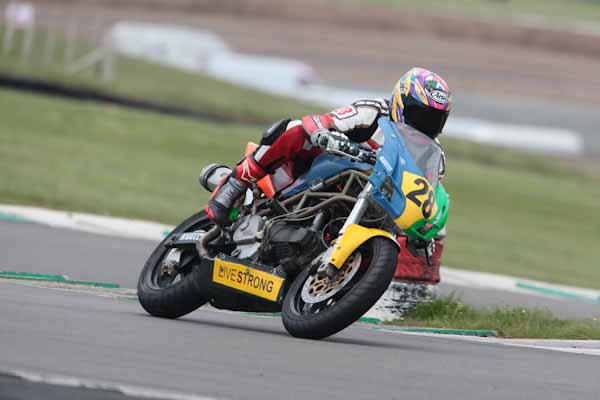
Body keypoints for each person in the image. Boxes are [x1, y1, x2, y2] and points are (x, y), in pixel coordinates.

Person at [205, 67, 452, 227]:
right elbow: (323, 121)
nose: (424, 125)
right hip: (324, 170)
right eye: (419, 115)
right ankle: (236, 184)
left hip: (377, 201)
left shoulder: (435, 156)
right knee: (296, 129)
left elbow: (427, 194)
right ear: (400, 101)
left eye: (434, 120)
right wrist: (324, 133)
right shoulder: (375, 111)